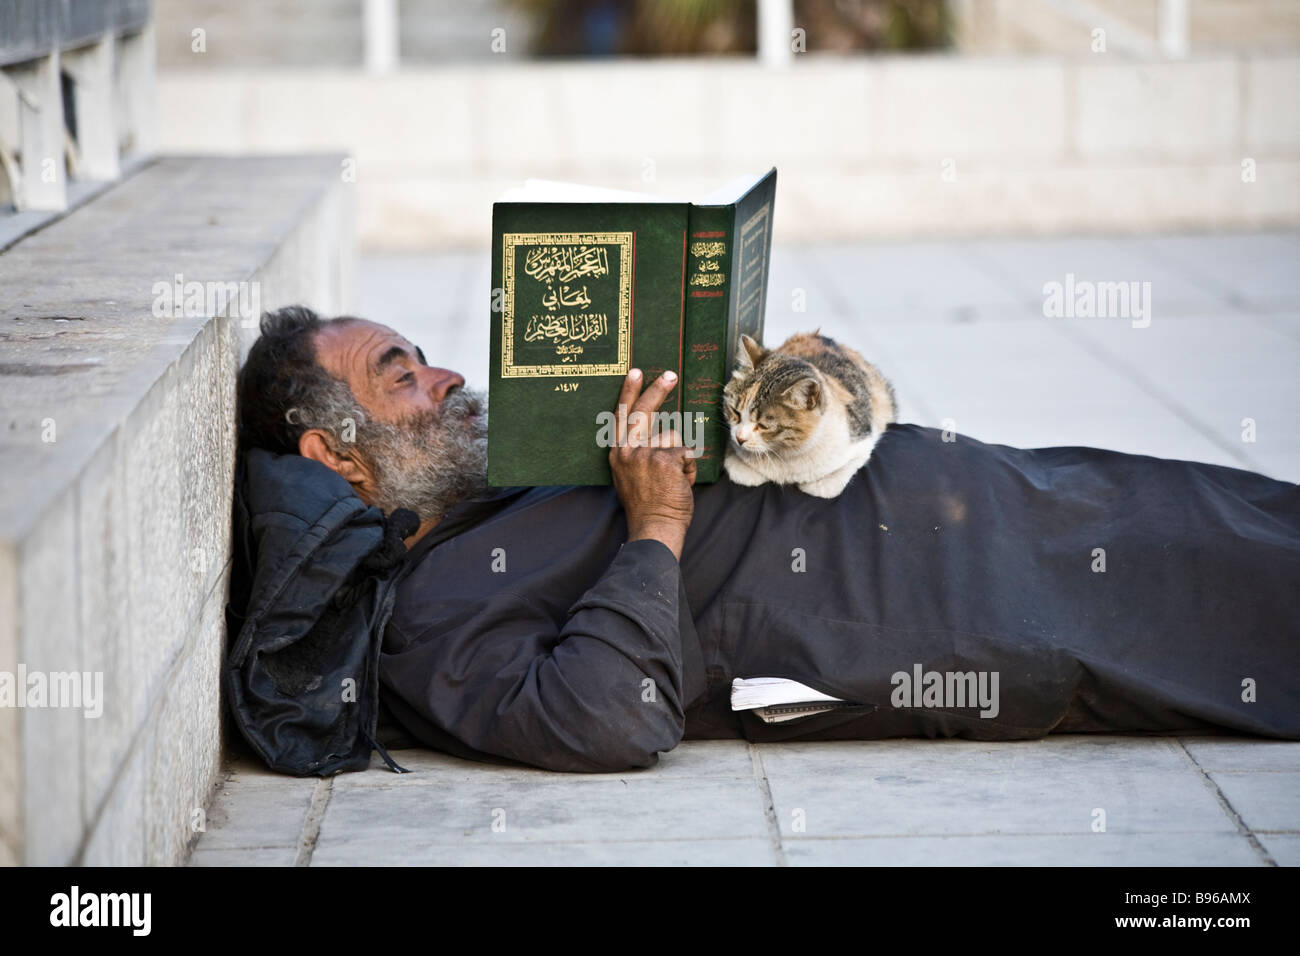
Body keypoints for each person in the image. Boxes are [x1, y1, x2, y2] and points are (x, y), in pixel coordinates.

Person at [234, 306, 1300, 773]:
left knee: (1209, 508)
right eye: (401, 376)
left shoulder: (498, 486)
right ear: (341, 456)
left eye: (426, 356)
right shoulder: (425, 616)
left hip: (972, 487)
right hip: (945, 606)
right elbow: (602, 718)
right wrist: (655, 520)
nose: (449, 376)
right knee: (1226, 611)